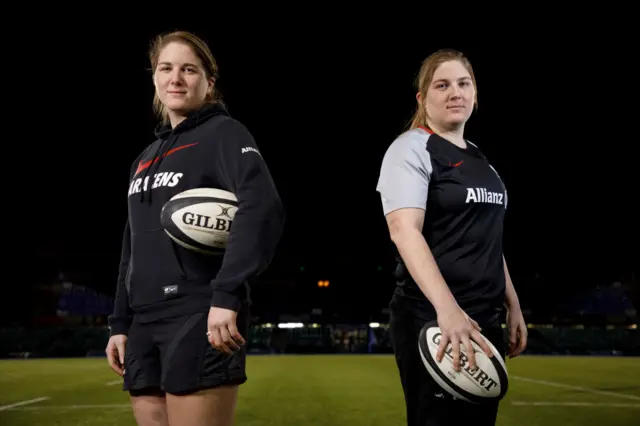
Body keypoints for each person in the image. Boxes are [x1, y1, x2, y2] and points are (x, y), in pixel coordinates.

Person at [105, 30, 285, 426]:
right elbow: (131, 245)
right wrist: (120, 323)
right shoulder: (144, 159)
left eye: (189, 69)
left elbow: (262, 209)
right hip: (142, 322)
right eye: (166, 69)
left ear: (209, 81)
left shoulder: (224, 133)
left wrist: (226, 293)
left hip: (200, 312)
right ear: (154, 78)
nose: (176, 78)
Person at [375, 49, 528, 426]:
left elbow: (488, 239)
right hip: (433, 317)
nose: (454, 92)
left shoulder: (481, 160)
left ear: (475, 95)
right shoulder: (410, 147)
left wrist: (513, 303)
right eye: (442, 85)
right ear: (423, 98)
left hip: (483, 318)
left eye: (464, 83)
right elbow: (404, 232)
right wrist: (448, 311)